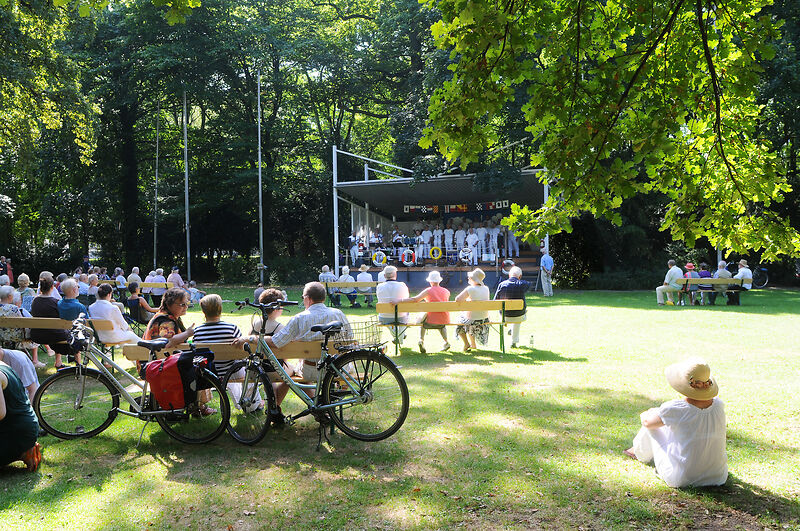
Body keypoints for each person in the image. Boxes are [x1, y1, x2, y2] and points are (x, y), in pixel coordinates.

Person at [624, 358, 727, 488]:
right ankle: (637, 451)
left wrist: (649, 413)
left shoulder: (676, 408)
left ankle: (639, 453)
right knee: (664, 420)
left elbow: (647, 423)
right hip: (717, 476)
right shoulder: (718, 405)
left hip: (682, 478)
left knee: (651, 424)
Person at [234, 282, 350, 390]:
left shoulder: (299, 318)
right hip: (339, 368)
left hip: (311, 370)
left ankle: (277, 405)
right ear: (323, 298)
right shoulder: (338, 313)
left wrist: (250, 338)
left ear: (308, 298)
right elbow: (350, 338)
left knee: (297, 370)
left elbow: (276, 342)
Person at [192, 294, 242, 388]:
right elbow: (241, 351)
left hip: (209, 372)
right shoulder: (231, 328)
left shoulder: (197, 331)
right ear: (220, 309)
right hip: (231, 371)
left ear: (203, 311)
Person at [0, 360, 42, 472]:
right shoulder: (2, 364)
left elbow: (0, 413)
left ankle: (23, 452)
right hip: (24, 426)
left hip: (16, 433)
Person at [402, 271, 450, 353]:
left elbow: (415, 300)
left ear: (430, 281)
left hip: (429, 321)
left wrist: (401, 300)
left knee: (422, 322)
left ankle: (421, 340)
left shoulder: (428, 291)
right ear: (439, 281)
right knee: (441, 324)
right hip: (443, 320)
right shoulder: (446, 291)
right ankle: (446, 342)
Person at [30, 273, 72, 369]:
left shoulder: (35, 301)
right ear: (52, 287)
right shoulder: (56, 302)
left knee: (56, 330)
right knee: (60, 331)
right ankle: (58, 362)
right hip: (55, 335)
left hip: (37, 335)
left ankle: (59, 362)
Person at [494, 266, 530, 348]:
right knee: (519, 316)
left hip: (504, 316)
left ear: (509, 275)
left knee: (512, 313)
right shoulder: (522, 284)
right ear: (520, 276)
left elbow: (495, 300)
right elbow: (529, 284)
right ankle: (513, 342)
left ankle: (511, 329)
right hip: (519, 315)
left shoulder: (501, 284)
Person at [455, 268, 491, 351]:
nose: (469, 278)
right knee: (469, 319)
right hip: (484, 319)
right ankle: (473, 344)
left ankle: (467, 343)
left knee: (460, 322)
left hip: (472, 319)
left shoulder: (470, 289)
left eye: (470, 277)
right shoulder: (486, 288)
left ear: (474, 279)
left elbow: (458, 299)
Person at [376, 265, 409, 344]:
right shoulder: (402, 285)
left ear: (384, 276)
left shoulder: (379, 286)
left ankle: (397, 336)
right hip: (401, 317)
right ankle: (400, 336)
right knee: (405, 314)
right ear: (395, 275)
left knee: (387, 318)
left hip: (384, 317)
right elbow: (407, 298)